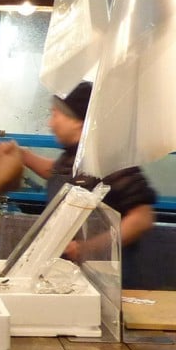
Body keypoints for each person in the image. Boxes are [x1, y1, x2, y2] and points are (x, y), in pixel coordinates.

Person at [12, 80, 156, 284]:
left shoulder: (108, 159)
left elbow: (142, 218)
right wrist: (21, 154)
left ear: (77, 121)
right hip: (74, 277)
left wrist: (88, 248)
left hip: (107, 280)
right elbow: (59, 174)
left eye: (55, 115)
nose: (50, 124)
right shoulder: (75, 155)